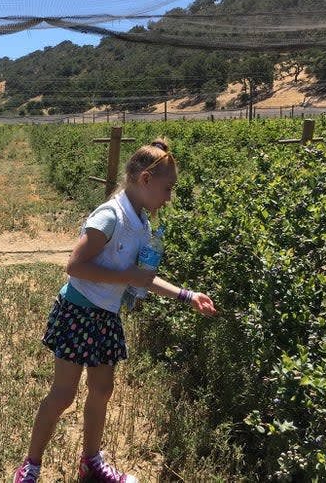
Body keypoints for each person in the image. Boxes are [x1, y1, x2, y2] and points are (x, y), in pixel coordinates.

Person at [13, 138, 217, 483]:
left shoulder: (142, 223)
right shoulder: (110, 216)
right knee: (63, 395)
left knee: (102, 390)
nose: (169, 198)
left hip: (106, 316)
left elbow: (143, 277)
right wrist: (128, 277)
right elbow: (75, 266)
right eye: (168, 189)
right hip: (78, 312)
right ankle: (30, 465)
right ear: (146, 180)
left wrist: (187, 295)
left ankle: (90, 462)